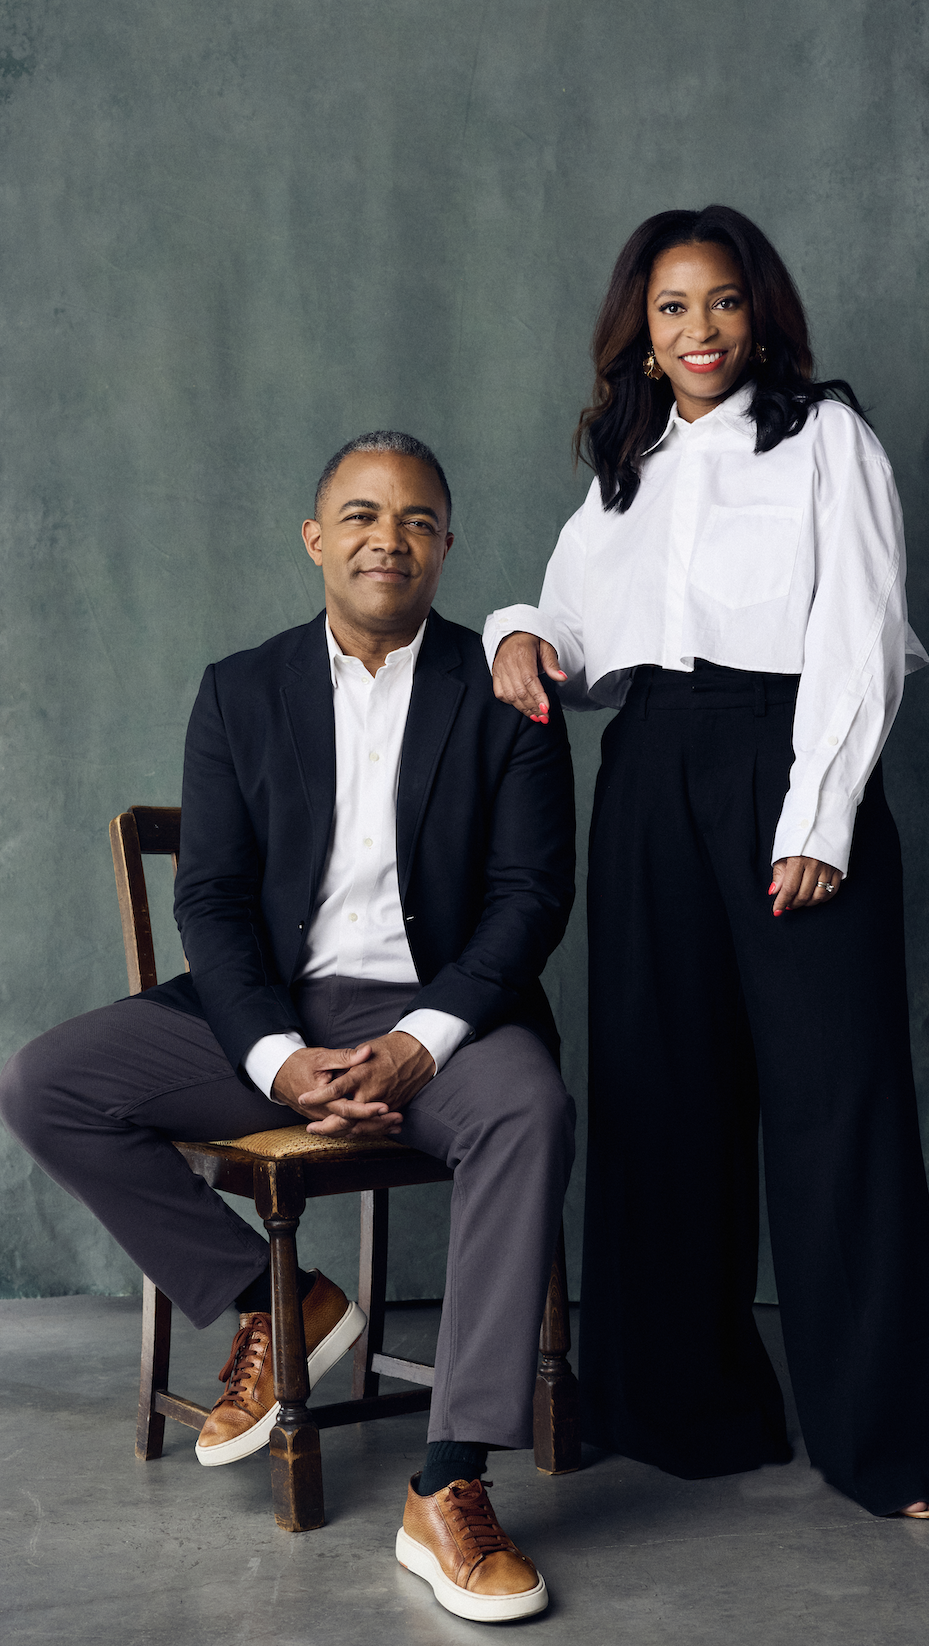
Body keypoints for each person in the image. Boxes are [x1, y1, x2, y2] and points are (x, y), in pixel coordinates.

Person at [0, 431, 576, 1623]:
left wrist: (424, 1038)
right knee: (46, 1079)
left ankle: (450, 1481)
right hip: (266, 1015)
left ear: (447, 546)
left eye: (418, 519)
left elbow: (532, 894)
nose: (389, 537)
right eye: (362, 515)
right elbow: (208, 896)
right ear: (317, 540)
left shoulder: (504, 691)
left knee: (530, 1105)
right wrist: (276, 1057)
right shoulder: (239, 688)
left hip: (442, 1019)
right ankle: (280, 1304)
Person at [485, 206, 929, 1520]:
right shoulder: (625, 470)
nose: (697, 332)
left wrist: (816, 818)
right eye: (669, 310)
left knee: (834, 1106)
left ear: (759, 312)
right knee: (659, 1090)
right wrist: (519, 635)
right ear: (637, 335)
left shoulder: (826, 440)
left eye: (720, 303)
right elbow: (575, 622)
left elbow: (860, 630)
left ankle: (892, 1442)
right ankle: (683, 1410)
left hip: (786, 756)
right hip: (647, 772)